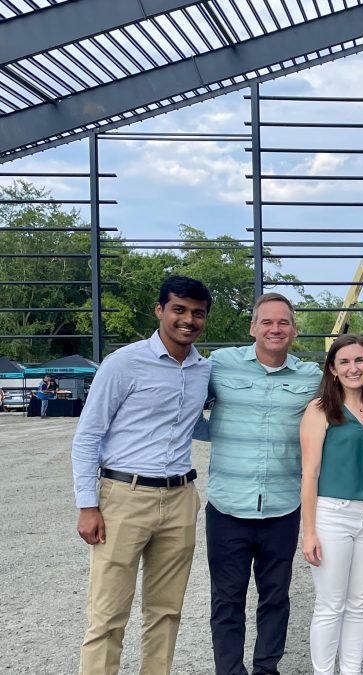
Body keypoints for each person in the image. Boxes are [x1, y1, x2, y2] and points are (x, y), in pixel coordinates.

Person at [71, 275, 212, 675]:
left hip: (181, 496)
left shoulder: (203, 370)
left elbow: (200, 424)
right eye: (179, 310)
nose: (188, 320)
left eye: (197, 313)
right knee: (108, 613)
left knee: (166, 612)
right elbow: (88, 436)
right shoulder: (124, 363)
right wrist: (87, 504)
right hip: (123, 495)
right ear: (160, 310)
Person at [204, 292, 322, 675]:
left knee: (275, 598)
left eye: (284, 322)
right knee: (227, 600)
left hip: (282, 507)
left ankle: (266, 669)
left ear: (294, 330)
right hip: (227, 507)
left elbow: (345, 414)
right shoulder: (220, 365)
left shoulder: (311, 378)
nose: (275, 328)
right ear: (252, 327)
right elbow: (180, 401)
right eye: (267, 322)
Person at [300, 334, 363, 675]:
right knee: (330, 604)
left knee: (360, 603)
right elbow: (309, 474)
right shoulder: (320, 409)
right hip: (333, 515)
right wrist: (309, 531)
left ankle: (351, 671)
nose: (353, 367)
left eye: (359, 360)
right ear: (333, 369)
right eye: (344, 362)